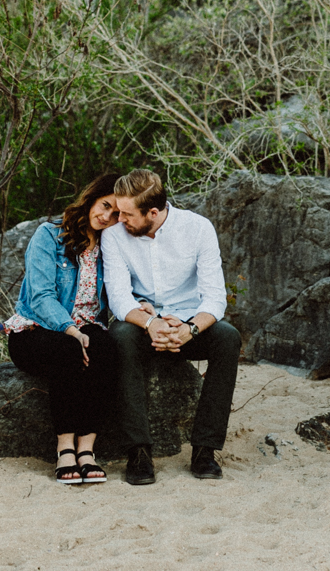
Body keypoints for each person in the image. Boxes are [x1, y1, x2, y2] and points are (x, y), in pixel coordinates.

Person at [101, 169, 241, 484]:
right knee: (119, 337)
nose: (119, 219)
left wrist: (189, 329)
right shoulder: (114, 236)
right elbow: (119, 298)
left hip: (189, 323)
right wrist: (151, 323)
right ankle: (138, 452)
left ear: (153, 212)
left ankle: (205, 450)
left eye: (127, 214)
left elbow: (215, 298)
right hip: (142, 321)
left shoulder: (198, 228)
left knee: (228, 338)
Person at [3, 172, 122, 485]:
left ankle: (87, 449)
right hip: (36, 329)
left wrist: (147, 305)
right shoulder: (49, 234)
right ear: (92, 197)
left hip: (87, 328)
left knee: (108, 349)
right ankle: (64, 448)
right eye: (105, 205)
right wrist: (70, 329)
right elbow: (40, 296)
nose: (107, 216)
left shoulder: (112, 247)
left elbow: (123, 290)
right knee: (69, 349)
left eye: (115, 214)